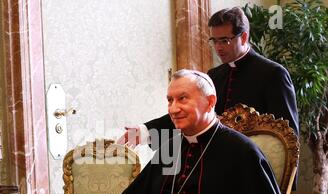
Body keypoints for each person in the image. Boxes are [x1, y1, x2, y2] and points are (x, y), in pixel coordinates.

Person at [85, 69, 291, 194]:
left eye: (182, 98)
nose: (173, 108)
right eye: (169, 100)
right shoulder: (171, 146)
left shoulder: (241, 150)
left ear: (210, 102)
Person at [119, 7, 299, 148]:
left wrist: (285, 180)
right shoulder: (214, 76)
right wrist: (143, 131)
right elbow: (190, 114)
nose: (218, 48)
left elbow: (288, 135)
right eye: (214, 40)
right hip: (215, 160)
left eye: (225, 41)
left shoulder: (273, 74)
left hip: (253, 167)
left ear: (243, 37)